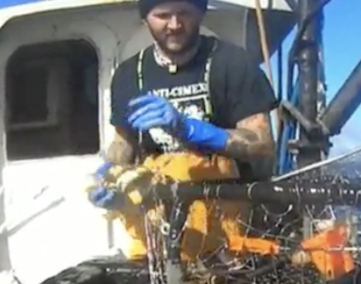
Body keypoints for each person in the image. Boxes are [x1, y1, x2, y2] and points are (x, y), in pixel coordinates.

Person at [89, 0, 279, 209]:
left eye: (184, 13)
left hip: (228, 214)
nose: (175, 24)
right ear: (145, 19)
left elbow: (262, 143)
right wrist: (108, 179)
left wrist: (190, 130)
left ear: (200, 14)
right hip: (156, 215)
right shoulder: (128, 75)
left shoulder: (232, 62)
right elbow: (123, 143)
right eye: (163, 15)